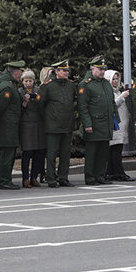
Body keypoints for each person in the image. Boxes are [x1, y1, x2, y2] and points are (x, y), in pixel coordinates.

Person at [76, 56, 116, 185]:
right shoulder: (86, 84)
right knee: (92, 153)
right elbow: (83, 106)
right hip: (94, 124)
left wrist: (115, 121)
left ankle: (100, 175)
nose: (102, 72)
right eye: (100, 69)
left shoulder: (105, 83)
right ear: (92, 68)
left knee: (103, 152)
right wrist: (87, 124)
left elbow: (111, 103)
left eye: (104, 69)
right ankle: (90, 177)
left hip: (106, 123)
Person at [40, 59, 77, 187]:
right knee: (51, 154)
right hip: (52, 125)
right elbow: (41, 104)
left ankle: (63, 177)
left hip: (67, 124)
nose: (66, 73)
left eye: (67, 70)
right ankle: (51, 178)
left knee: (65, 153)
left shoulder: (71, 85)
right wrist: (48, 119)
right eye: (63, 70)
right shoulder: (48, 86)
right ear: (57, 71)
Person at [0, 60, 26, 189]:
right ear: (16, 73)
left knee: (6, 153)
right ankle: (4, 180)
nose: (21, 75)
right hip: (6, 126)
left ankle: (1, 179)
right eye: (20, 72)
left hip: (8, 125)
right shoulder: (7, 87)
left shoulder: (9, 84)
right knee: (7, 154)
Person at [19, 70, 46, 187]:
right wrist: (25, 102)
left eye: (30, 81)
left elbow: (43, 106)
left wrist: (38, 99)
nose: (28, 83)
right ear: (22, 82)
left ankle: (34, 177)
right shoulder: (19, 92)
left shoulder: (38, 91)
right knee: (27, 153)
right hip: (26, 126)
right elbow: (19, 111)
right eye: (26, 81)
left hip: (38, 125)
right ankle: (25, 178)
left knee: (39, 152)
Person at [106, 69, 133, 181]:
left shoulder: (117, 91)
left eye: (117, 79)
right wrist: (122, 97)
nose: (116, 81)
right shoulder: (109, 92)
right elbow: (113, 105)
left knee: (117, 150)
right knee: (115, 150)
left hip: (121, 125)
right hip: (115, 125)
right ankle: (117, 172)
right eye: (113, 79)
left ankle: (113, 172)